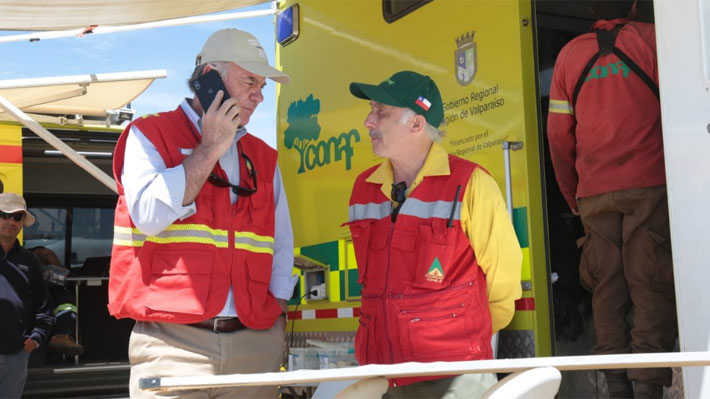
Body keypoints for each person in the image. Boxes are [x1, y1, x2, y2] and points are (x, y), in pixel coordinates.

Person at [108, 28, 296, 399]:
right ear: (209, 77)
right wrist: (210, 146)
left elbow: (281, 244)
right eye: (249, 81)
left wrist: (275, 312)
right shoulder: (147, 135)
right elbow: (148, 216)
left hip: (253, 343)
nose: (259, 95)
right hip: (173, 346)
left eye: (262, 85)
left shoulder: (263, 157)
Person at [345, 71, 522, 398]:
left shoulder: (471, 183)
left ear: (416, 124)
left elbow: (503, 286)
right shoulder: (363, 189)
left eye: (381, 111)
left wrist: (459, 340)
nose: (369, 121)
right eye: (371, 109)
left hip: (453, 378)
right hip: (380, 376)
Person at [547, 1, 675, 398]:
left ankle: (616, 387)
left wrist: (573, 195)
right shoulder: (653, 41)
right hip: (650, 185)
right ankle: (649, 387)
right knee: (649, 282)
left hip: (594, 194)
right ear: (636, 5)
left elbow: (557, 136)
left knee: (607, 288)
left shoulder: (569, 55)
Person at [0, 193, 52, 398]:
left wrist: (35, 338)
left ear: (22, 223)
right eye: (4, 215)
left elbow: (44, 307)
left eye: (17, 217)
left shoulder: (30, 261)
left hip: (15, 355)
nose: (11, 221)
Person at [30, 247, 84, 357]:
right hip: (29, 300)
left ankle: (62, 336)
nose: (45, 259)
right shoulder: (23, 262)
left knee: (67, 299)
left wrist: (58, 268)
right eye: (42, 258)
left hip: (51, 298)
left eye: (47, 257)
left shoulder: (60, 289)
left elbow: (67, 278)